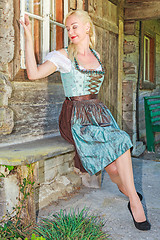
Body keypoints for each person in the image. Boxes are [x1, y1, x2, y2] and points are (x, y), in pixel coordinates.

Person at [20, 9, 151, 231]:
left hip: (99, 115)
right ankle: (135, 203)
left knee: (114, 169)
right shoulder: (62, 56)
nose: (70, 31)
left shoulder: (97, 55)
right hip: (75, 117)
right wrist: (26, 33)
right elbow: (33, 74)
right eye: (67, 28)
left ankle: (129, 192)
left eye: (74, 26)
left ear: (87, 27)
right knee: (120, 142)